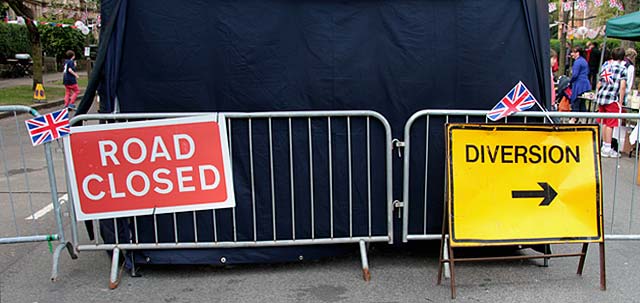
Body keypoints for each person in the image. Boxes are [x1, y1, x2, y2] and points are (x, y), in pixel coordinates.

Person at [595, 47, 627, 158]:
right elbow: (622, 86)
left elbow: (599, 82)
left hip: (602, 96)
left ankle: (604, 144)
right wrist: (621, 101)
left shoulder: (605, 66)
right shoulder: (623, 69)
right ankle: (608, 147)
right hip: (612, 98)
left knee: (604, 121)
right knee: (611, 123)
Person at [568, 47, 591, 123]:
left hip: (579, 85)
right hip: (585, 84)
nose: (571, 54)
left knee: (576, 102)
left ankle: (573, 119)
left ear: (577, 53)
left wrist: (570, 81)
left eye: (573, 53)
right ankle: (582, 119)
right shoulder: (584, 61)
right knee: (582, 102)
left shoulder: (577, 62)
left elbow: (575, 75)